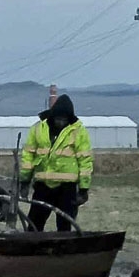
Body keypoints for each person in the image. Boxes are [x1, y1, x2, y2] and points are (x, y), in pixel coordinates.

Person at [19, 94, 93, 231]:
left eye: (63, 119)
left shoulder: (78, 131)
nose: (60, 122)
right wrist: (24, 181)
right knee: (34, 225)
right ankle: (32, 249)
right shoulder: (38, 129)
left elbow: (85, 161)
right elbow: (28, 156)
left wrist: (83, 189)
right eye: (58, 119)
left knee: (64, 226)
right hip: (42, 186)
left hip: (67, 188)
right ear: (52, 116)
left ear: (69, 119)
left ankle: (63, 251)